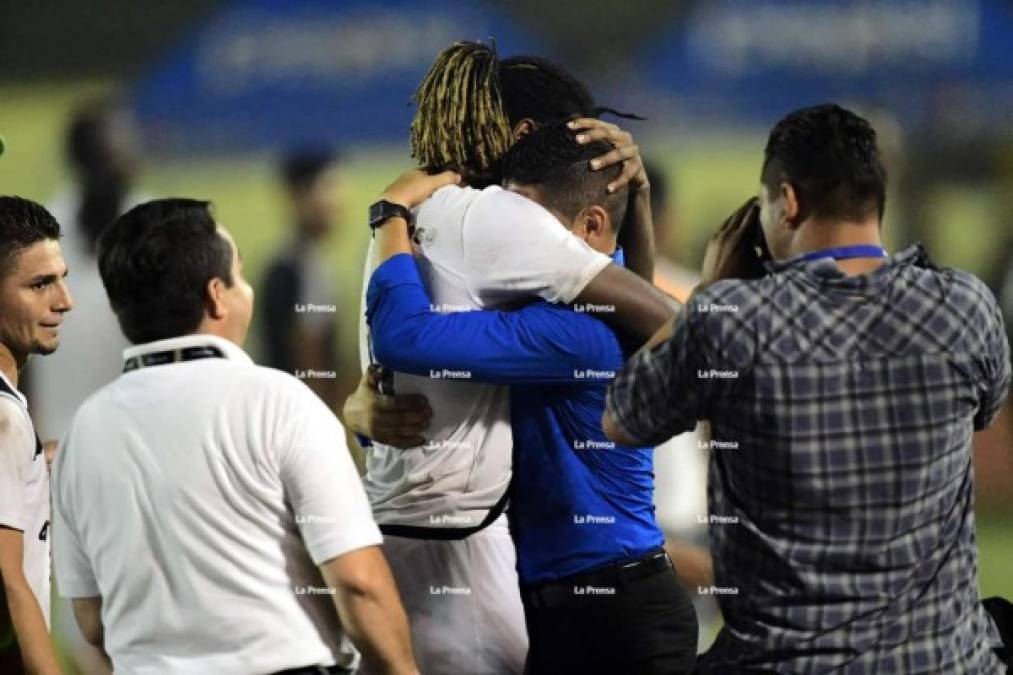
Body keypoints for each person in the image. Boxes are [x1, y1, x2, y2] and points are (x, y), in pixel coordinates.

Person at [603, 104, 1011, 673]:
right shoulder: (966, 308)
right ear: (876, 199)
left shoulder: (731, 316)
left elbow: (623, 417)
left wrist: (709, 290)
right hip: (945, 661)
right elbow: (985, 411)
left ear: (787, 202)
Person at [349, 43, 677, 674]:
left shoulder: (562, 321)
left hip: (599, 596)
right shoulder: (513, 259)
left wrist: (389, 211)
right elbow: (641, 303)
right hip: (540, 583)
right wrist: (361, 410)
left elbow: (407, 338)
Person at [51, 199, 418, 674]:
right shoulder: (280, 402)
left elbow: (92, 621)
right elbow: (358, 584)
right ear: (216, 296)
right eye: (239, 275)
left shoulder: (84, 431)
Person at [0, 196, 71, 675]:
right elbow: (7, 576)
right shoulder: (4, 418)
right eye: (41, 284)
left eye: (62, 278)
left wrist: (35, 465)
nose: (64, 301)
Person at [260, 147, 344, 408]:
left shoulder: (293, 261)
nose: (338, 202)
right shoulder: (299, 268)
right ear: (300, 197)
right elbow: (309, 360)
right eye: (328, 189)